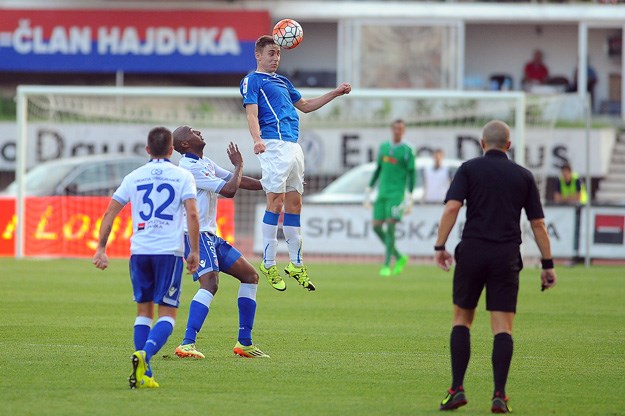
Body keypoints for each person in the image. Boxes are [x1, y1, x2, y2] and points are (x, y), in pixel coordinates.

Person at [433, 120, 557, 413]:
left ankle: (457, 389)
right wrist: (548, 264)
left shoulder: (468, 169)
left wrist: (440, 246)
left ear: (482, 143)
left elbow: (452, 207)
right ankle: (499, 394)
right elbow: (538, 223)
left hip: (473, 250)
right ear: (509, 146)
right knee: (503, 327)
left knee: (462, 320)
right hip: (506, 255)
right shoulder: (524, 176)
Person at [240, 35, 351, 291]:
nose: (275, 58)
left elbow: (305, 105)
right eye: (270, 53)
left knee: (295, 204)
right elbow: (251, 113)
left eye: (278, 53)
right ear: (258, 55)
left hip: (293, 146)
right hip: (273, 145)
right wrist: (257, 140)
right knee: (275, 202)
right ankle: (268, 263)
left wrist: (335, 92)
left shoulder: (283, 81)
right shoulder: (252, 80)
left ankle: (296, 264)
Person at [92, 126, 200, 389]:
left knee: (143, 312)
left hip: (139, 251)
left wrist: (101, 248)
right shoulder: (183, 176)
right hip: (168, 252)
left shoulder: (133, 177)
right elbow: (193, 215)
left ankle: (144, 373)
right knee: (168, 315)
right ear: (172, 149)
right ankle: (145, 355)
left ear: (147, 149)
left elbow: (110, 213)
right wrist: (194, 250)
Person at [171, 126, 269, 359]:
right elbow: (229, 189)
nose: (199, 132)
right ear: (185, 144)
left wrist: (271, 185)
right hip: (195, 235)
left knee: (250, 276)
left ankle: (244, 343)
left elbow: (237, 181)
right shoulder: (188, 168)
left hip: (210, 236)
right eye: (192, 132)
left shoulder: (204, 162)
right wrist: (238, 164)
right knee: (210, 284)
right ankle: (187, 343)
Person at [364, 119, 415, 277]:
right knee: (376, 226)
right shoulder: (384, 148)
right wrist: (369, 188)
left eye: (400, 129)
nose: (397, 131)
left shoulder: (408, 150)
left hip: (396, 194)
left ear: (404, 131)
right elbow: (378, 169)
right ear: (391, 129)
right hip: (382, 193)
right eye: (395, 128)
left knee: (391, 226)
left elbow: (412, 173)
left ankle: (387, 264)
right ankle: (399, 256)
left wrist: (410, 195)